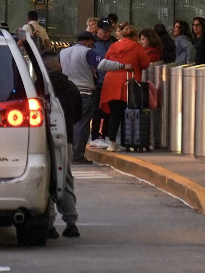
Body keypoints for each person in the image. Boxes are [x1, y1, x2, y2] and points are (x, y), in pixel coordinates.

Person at [44, 63, 83, 237]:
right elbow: (78, 115)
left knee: (46, 180)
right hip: (65, 139)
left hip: (43, 140)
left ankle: (49, 225)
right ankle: (71, 222)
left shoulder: (39, 88)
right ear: (59, 66)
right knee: (65, 178)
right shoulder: (71, 87)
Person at [94, 24, 149, 148]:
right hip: (128, 81)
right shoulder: (137, 46)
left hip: (111, 82)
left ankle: (111, 141)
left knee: (114, 112)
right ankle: (125, 141)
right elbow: (145, 63)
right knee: (127, 111)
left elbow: (106, 61)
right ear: (135, 36)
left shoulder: (113, 46)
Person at [58, 30, 98, 162]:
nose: (92, 47)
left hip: (68, 92)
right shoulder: (87, 52)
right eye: (92, 44)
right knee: (83, 124)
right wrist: (122, 65)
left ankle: (68, 153)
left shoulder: (63, 52)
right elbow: (102, 64)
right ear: (87, 42)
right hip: (85, 92)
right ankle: (77, 154)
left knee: (70, 123)